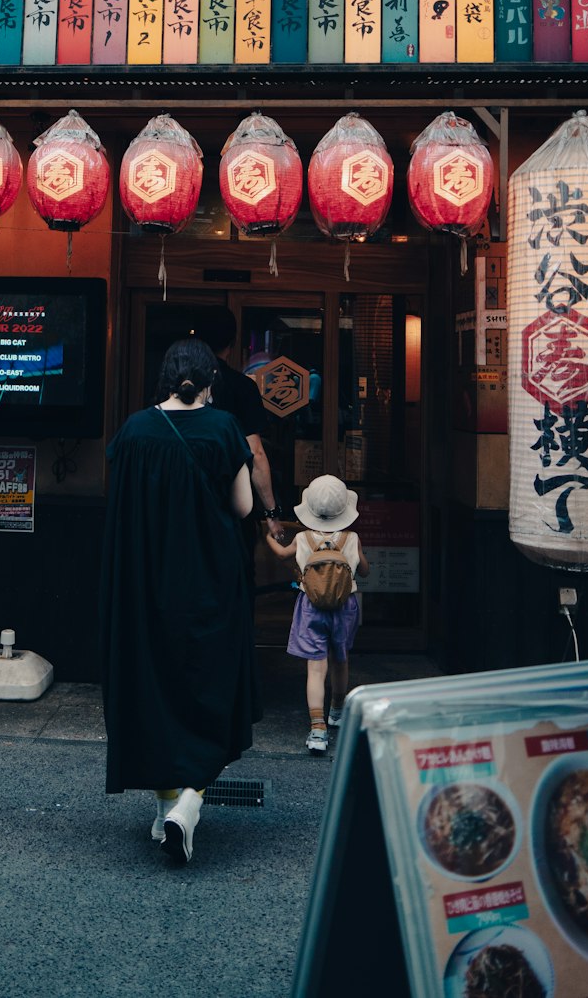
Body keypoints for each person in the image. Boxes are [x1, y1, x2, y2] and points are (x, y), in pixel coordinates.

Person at [100, 338, 260, 866]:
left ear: (164, 378)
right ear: (210, 380)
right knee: (209, 684)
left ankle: (169, 804)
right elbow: (242, 507)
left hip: (146, 585)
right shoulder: (224, 429)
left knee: (156, 686)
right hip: (210, 584)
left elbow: (119, 506)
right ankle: (187, 801)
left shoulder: (134, 431)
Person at [264, 474, 370, 755]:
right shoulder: (352, 537)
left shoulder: (302, 538)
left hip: (310, 606)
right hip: (344, 605)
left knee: (316, 667)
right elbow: (365, 570)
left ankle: (317, 728)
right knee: (340, 659)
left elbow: (283, 555)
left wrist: (268, 537)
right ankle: (337, 711)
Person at [195, 307, 283, 550]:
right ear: (232, 342)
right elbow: (255, 453)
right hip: (231, 506)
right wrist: (271, 512)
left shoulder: (180, 387)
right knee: (238, 577)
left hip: (187, 504)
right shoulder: (241, 387)